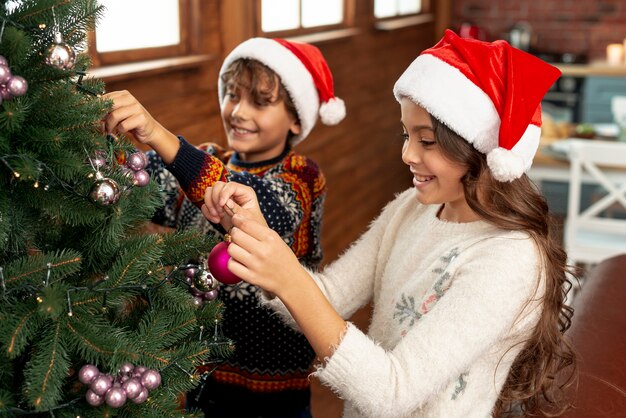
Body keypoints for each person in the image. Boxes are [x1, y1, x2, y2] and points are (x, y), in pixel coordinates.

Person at [202, 30, 577, 418]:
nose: (406, 154)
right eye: (405, 134)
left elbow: (394, 392)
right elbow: (328, 297)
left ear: (479, 149)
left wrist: (289, 278)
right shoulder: (410, 208)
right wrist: (261, 240)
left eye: (426, 141)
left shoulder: (509, 258)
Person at [103, 38, 346, 418]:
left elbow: (246, 205)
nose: (238, 111)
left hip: (272, 399)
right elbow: (139, 178)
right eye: (232, 95)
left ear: (296, 118)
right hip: (198, 379)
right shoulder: (206, 163)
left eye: (260, 102)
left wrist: (158, 133)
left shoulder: (302, 179)